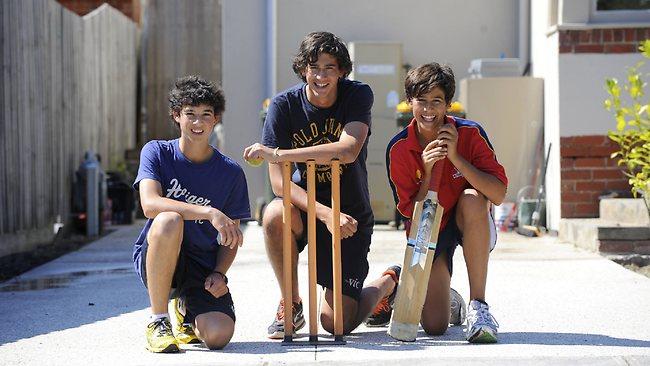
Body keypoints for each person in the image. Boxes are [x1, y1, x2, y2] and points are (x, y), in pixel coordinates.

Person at [243, 31, 400, 339]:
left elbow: (347, 150)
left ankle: (389, 282)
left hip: (350, 214)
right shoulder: (283, 106)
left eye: (330, 67)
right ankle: (291, 303)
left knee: (337, 324)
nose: (321, 75)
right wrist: (325, 213)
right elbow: (279, 182)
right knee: (275, 213)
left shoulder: (357, 95)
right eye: (314, 67)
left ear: (342, 70)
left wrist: (279, 154)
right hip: (308, 210)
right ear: (303, 69)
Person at [383, 63, 507, 343]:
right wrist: (427, 174)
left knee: (473, 198)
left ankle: (478, 306)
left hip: (468, 219)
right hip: (430, 230)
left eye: (436, 101)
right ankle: (422, 288)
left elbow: (498, 194)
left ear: (448, 104)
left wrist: (456, 159)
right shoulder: (399, 148)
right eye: (421, 101)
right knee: (436, 326)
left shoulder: (471, 133)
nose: (429, 110)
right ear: (409, 102)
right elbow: (411, 216)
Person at [132, 76, 250, 352]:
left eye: (205, 115)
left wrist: (220, 273)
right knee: (169, 218)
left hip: (202, 265)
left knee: (218, 336)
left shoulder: (230, 173)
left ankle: (185, 311)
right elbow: (149, 204)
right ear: (177, 116)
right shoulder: (157, 152)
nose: (198, 123)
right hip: (158, 253)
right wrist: (208, 212)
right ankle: (158, 321)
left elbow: (231, 237)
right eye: (190, 115)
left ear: (215, 119)